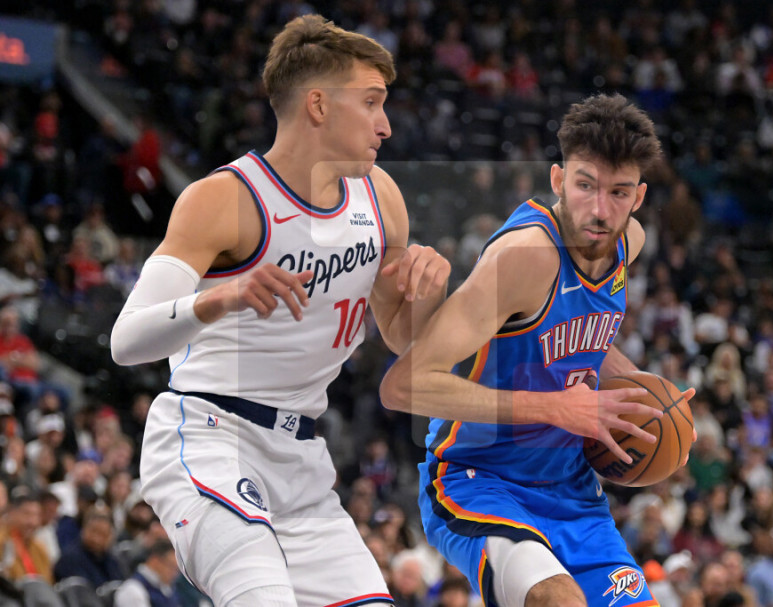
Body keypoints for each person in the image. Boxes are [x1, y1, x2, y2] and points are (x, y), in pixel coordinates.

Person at [110, 14, 449, 607]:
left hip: (302, 461)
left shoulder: (381, 197)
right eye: (371, 103)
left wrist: (428, 291)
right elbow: (126, 341)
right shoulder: (224, 199)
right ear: (318, 104)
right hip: (211, 436)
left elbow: (402, 337)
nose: (386, 125)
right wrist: (221, 297)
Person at [381, 94, 696, 607]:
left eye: (618, 192)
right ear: (557, 180)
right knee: (557, 600)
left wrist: (653, 403)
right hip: (479, 480)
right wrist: (555, 407)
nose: (600, 210)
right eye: (585, 186)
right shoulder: (524, 257)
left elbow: (587, 339)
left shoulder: (629, 242)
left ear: (638, 197)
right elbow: (404, 385)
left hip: (573, 490)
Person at [113, 539, 180, 607]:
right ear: (155, 560)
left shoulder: (167, 588)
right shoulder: (132, 590)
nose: (175, 574)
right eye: (171, 566)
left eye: (177, 569)